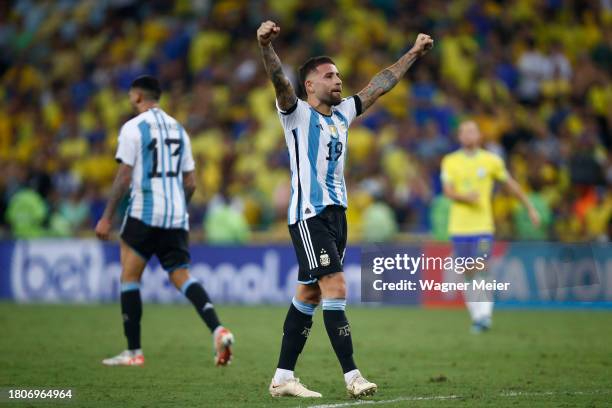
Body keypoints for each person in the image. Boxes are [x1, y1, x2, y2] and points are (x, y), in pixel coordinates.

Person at [257, 20, 433, 398]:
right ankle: (353, 377)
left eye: (338, 75)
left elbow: (380, 84)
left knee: (309, 294)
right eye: (329, 75)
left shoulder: (343, 114)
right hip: (310, 215)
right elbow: (279, 82)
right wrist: (266, 47)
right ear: (310, 85)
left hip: (338, 216)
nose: (338, 80)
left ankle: (283, 377)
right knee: (335, 285)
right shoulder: (296, 113)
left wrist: (414, 53)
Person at [95, 75, 234, 367]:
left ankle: (134, 352)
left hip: (144, 211)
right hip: (175, 215)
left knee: (130, 277)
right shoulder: (179, 129)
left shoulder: (132, 128)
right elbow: (192, 182)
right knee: (181, 275)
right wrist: (177, 210)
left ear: (136, 97)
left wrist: (107, 217)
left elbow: (124, 176)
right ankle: (218, 328)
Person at [441, 121, 540, 333]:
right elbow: (448, 192)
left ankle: (485, 314)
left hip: (483, 226)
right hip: (459, 228)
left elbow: (510, 185)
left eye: (473, 131)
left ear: (479, 136)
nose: (469, 135)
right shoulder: (450, 161)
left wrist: (530, 207)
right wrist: (465, 197)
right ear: (460, 137)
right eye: (465, 131)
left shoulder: (491, 161)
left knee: (482, 266)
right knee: (468, 271)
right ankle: (477, 315)